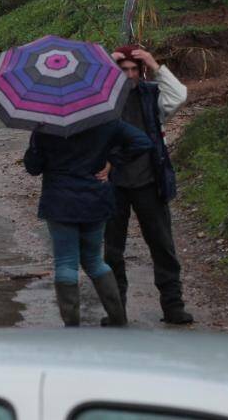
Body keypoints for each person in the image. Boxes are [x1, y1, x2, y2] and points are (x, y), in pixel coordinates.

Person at [24, 119, 153, 327]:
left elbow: (33, 168)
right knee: (94, 260)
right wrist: (113, 161)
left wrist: (35, 142)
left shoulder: (46, 127)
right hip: (95, 199)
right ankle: (118, 318)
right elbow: (142, 142)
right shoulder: (105, 121)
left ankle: (72, 325)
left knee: (66, 262)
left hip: (60, 203)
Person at [104, 46, 192, 325]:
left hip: (149, 181)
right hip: (113, 183)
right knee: (112, 252)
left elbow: (180, 96)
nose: (130, 75)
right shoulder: (104, 101)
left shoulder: (152, 95)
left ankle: (173, 306)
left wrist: (154, 63)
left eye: (134, 69)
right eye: (124, 70)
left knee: (162, 246)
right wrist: (108, 65)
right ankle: (116, 311)